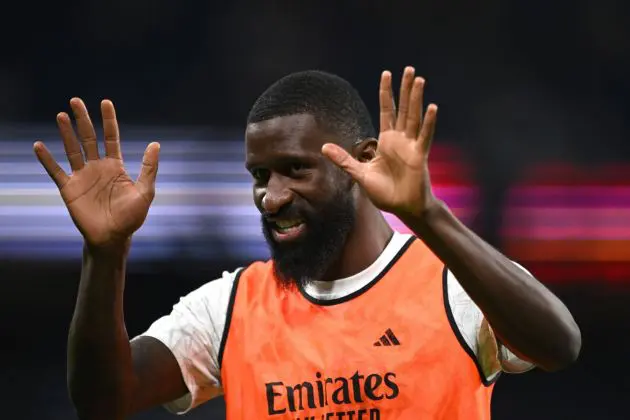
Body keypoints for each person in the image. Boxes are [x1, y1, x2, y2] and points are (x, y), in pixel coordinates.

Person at [34, 67, 581, 420]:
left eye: (295, 170)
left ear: (362, 161)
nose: (270, 197)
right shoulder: (229, 308)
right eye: (259, 175)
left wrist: (429, 215)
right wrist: (104, 255)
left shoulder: (449, 283)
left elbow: (560, 345)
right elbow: (104, 400)